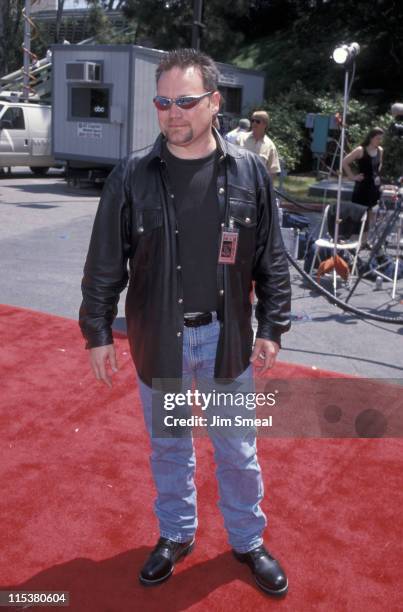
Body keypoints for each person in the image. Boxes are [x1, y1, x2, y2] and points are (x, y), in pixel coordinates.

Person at [79, 48, 291, 598]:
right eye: (163, 101)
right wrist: (98, 332)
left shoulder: (248, 172)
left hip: (226, 341)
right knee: (171, 447)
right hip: (162, 341)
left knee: (236, 450)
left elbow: (270, 257)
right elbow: (106, 260)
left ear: (215, 102)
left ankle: (247, 540)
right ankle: (176, 533)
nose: (173, 112)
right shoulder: (132, 174)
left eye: (186, 101)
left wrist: (272, 325)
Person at [342, 127, 384, 209]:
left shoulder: (380, 150)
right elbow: (344, 162)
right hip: (362, 187)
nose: (380, 141)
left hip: (375, 188)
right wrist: (352, 177)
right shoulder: (360, 150)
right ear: (371, 138)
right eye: (378, 139)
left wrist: (377, 175)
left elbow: (380, 163)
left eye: (381, 139)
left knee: (373, 213)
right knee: (359, 214)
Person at [236, 110, 281, 177]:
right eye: (252, 120)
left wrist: (266, 186)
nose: (254, 123)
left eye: (257, 121)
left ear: (265, 124)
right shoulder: (241, 138)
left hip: (258, 184)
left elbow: (273, 171)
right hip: (240, 180)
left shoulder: (270, 145)